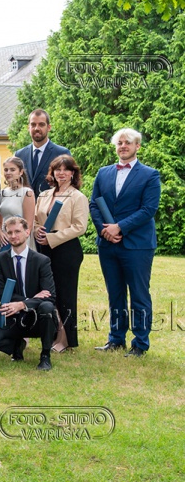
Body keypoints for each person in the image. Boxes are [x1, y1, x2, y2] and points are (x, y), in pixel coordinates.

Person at [89, 128, 160, 357]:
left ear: (137, 146)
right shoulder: (103, 173)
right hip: (108, 244)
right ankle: (116, 339)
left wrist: (119, 227)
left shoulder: (150, 175)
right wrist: (104, 230)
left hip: (137, 245)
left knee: (139, 294)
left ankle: (140, 343)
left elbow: (148, 209)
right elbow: (94, 204)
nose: (123, 146)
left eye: (128, 142)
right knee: (115, 293)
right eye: (119, 143)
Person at [0, 217, 56, 371]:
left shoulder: (41, 260)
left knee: (47, 307)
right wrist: (28, 300)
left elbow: (50, 296)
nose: (13, 236)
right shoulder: (1, 259)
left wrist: (23, 304)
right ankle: (16, 346)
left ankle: (45, 356)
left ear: (27, 232)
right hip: (12, 314)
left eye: (17, 231)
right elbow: (0, 292)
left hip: (37, 316)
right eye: (10, 232)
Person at [34, 155, 88, 352]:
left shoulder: (78, 197)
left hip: (66, 249)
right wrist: (37, 231)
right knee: (49, 293)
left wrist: (53, 238)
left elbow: (80, 227)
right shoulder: (44, 195)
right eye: (58, 169)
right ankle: (53, 332)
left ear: (73, 173)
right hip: (44, 248)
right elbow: (35, 220)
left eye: (66, 170)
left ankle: (66, 338)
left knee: (65, 294)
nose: (61, 173)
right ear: (53, 173)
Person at [15, 109, 71, 195]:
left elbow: (68, 185)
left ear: (49, 127)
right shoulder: (19, 155)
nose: (37, 128)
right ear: (28, 128)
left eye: (41, 124)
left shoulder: (61, 153)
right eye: (33, 125)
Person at [0, 156, 36, 250]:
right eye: (6, 170)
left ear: (21, 172)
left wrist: (15, 239)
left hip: (21, 242)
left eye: (12, 170)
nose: (8, 172)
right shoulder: (2, 193)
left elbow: (28, 225)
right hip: (5, 241)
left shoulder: (27, 192)